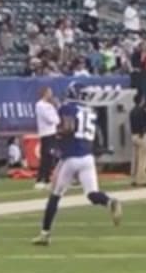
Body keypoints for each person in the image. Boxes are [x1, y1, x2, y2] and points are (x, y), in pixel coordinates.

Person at [32, 87, 122, 246]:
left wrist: (59, 144)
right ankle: (109, 201)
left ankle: (45, 234)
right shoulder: (90, 110)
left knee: (55, 195)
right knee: (92, 194)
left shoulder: (67, 108)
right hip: (87, 157)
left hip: (71, 157)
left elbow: (66, 127)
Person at [33, 86, 60, 189]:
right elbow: (50, 119)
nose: (51, 94)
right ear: (45, 93)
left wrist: (55, 117)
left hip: (52, 133)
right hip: (45, 134)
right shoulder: (40, 105)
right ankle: (40, 179)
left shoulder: (50, 105)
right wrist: (54, 118)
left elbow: (57, 119)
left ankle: (47, 178)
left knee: (50, 157)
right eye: (49, 92)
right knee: (45, 157)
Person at [129, 94, 146, 187]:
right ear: (141, 100)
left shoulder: (132, 111)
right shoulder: (142, 111)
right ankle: (141, 178)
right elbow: (143, 123)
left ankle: (134, 177)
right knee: (143, 158)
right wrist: (143, 134)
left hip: (134, 135)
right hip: (141, 135)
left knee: (135, 158)